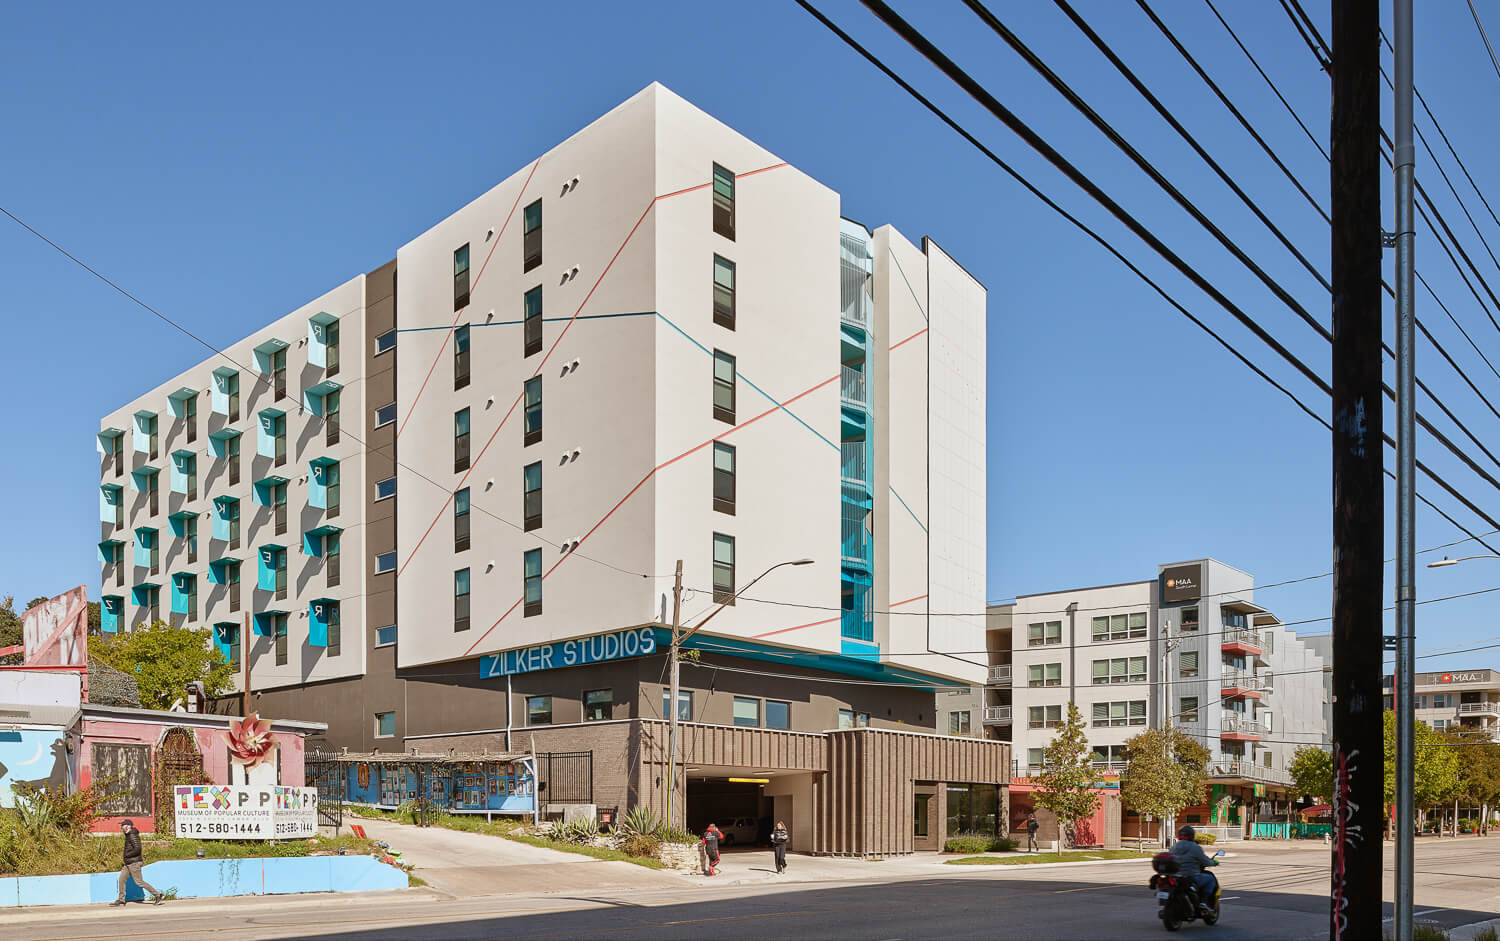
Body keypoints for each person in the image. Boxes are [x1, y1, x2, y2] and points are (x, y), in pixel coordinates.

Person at [111, 819, 164, 906]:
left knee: (139, 882)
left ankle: (158, 895)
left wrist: (127, 855)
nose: (121, 827)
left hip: (134, 862)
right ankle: (121, 900)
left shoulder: (132, 835)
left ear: (128, 826)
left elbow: (138, 849)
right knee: (121, 880)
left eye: (123, 825)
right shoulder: (128, 835)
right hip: (129, 863)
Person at [1168, 825, 1218, 915]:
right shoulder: (1195, 847)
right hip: (1191, 876)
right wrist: (1213, 862)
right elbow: (1205, 861)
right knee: (1210, 879)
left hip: (1176, 876)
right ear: (1192, 835)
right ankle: (1204, 901)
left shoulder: (1174, 847)